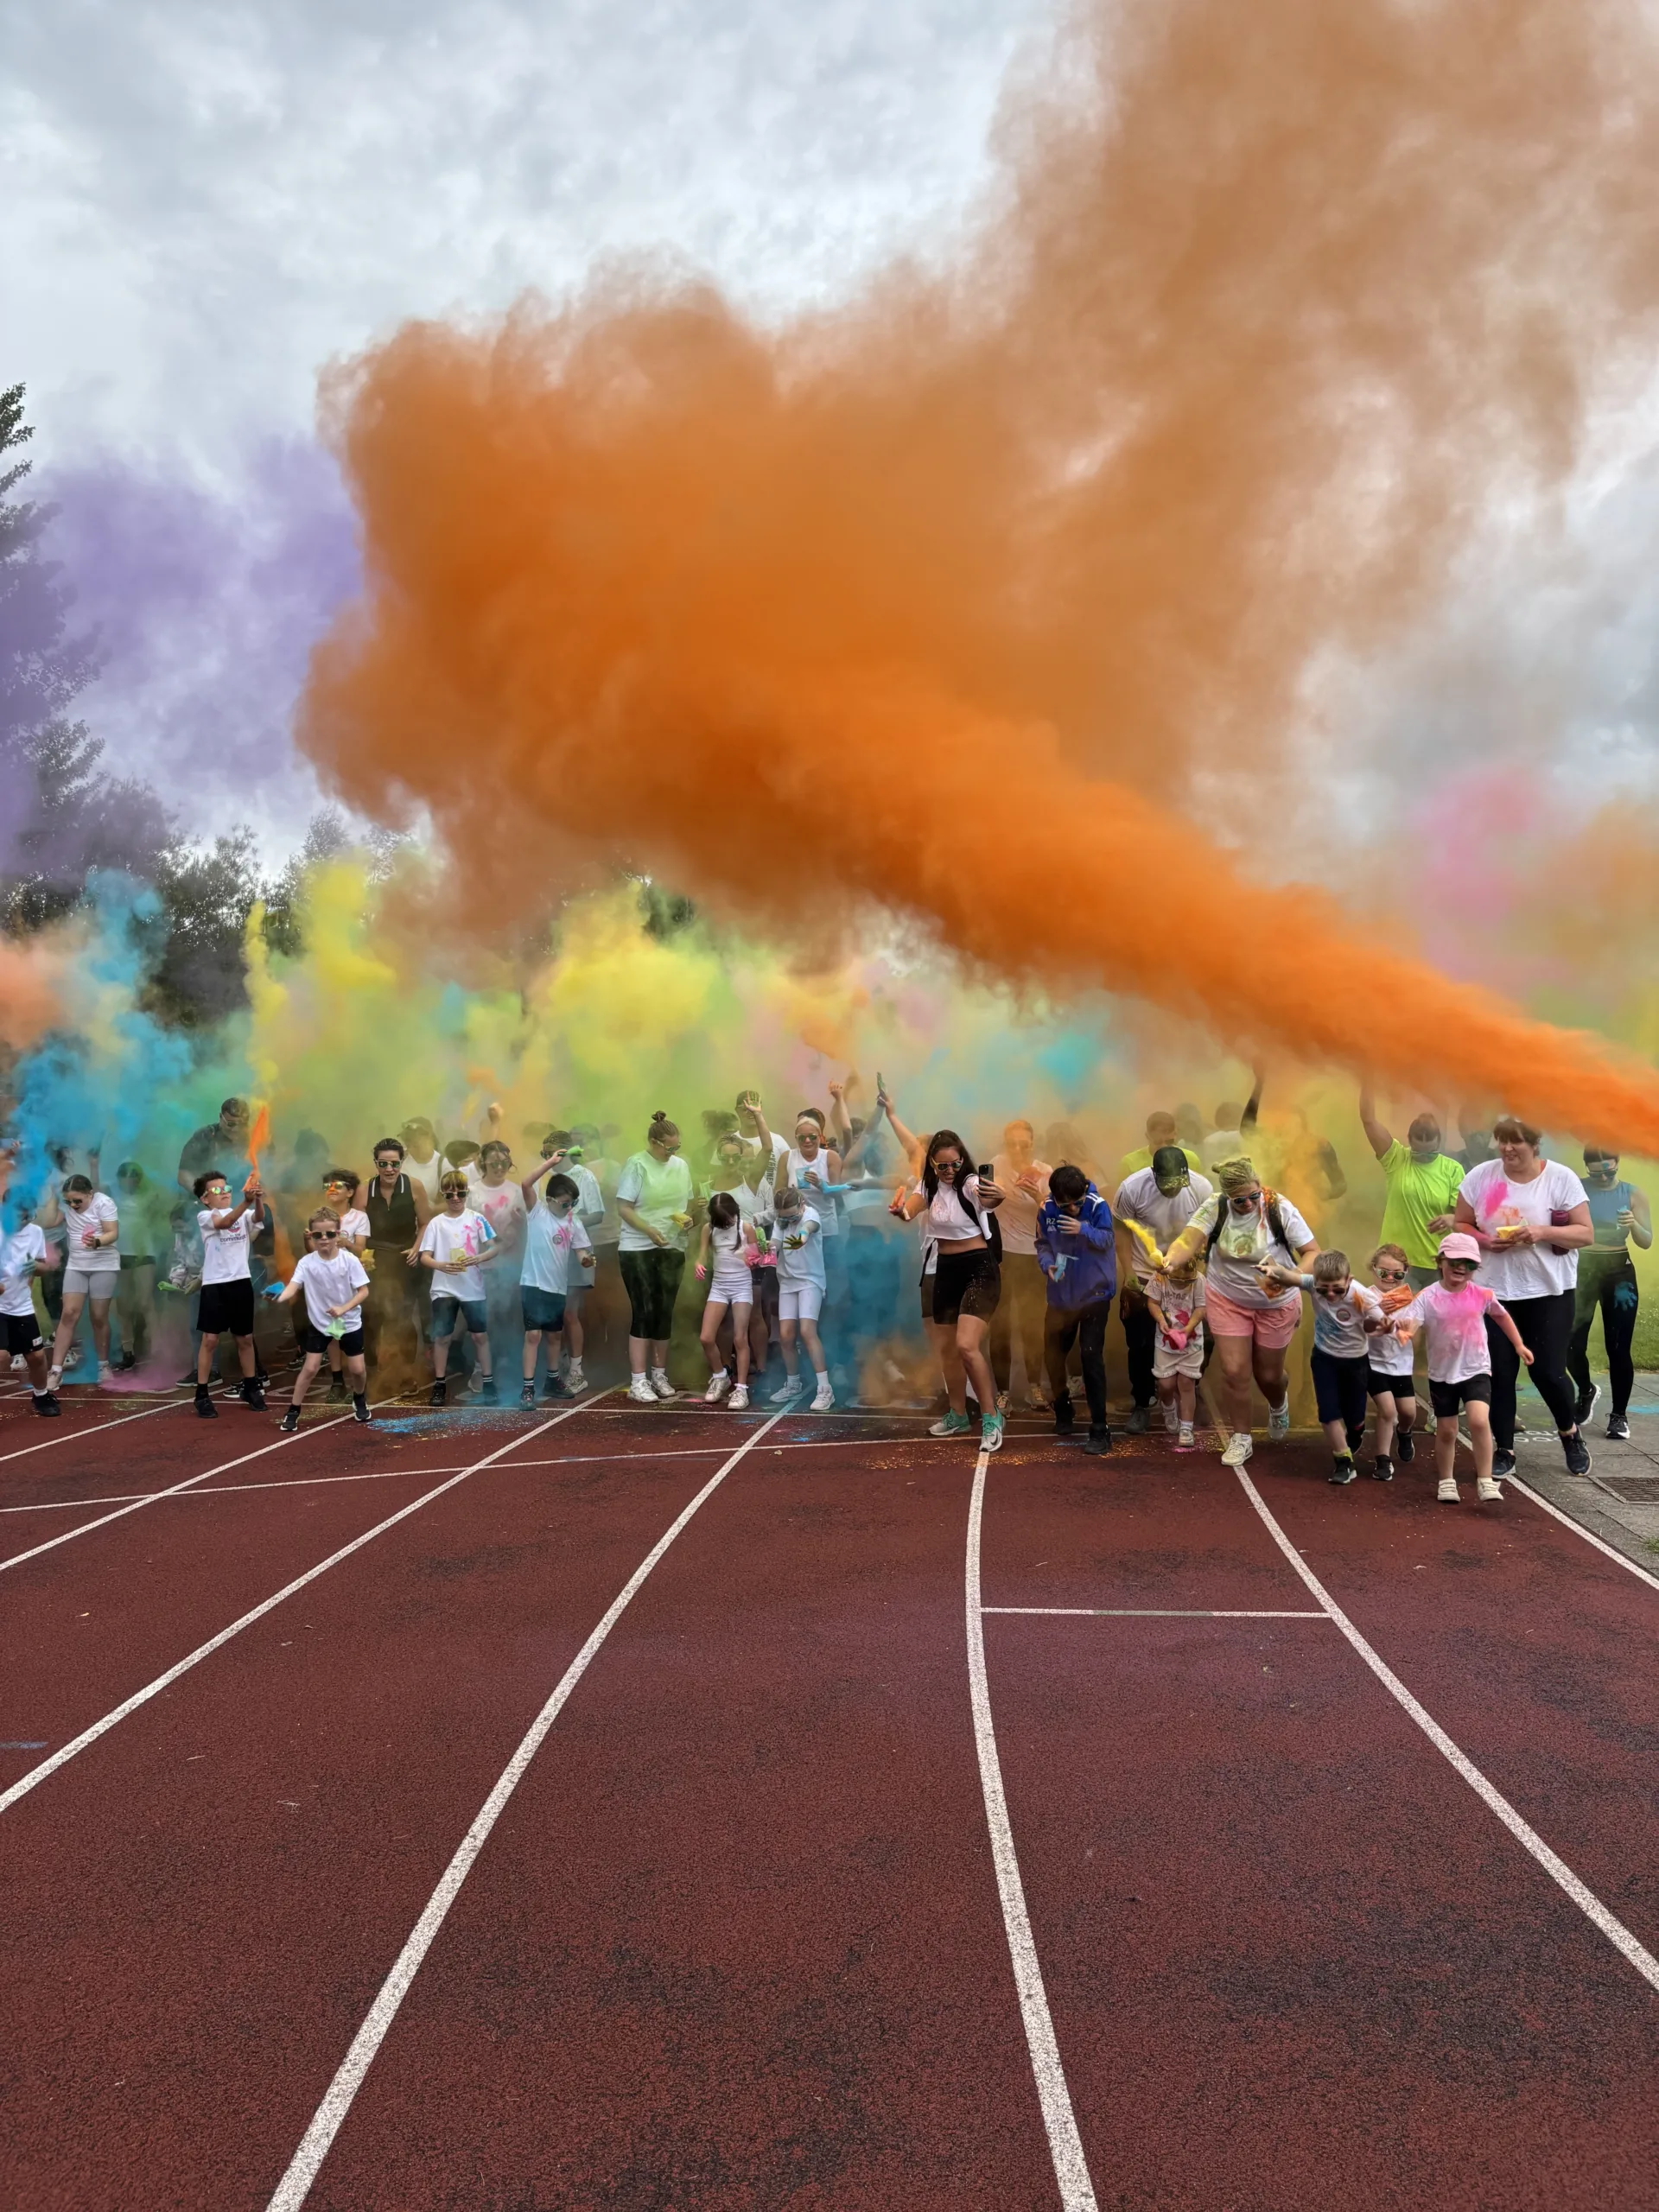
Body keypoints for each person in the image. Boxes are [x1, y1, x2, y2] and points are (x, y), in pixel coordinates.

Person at [1452, 1116, 1592, 1479]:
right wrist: (1485, 1241)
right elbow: (1461, 1222)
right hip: (1495, 1292)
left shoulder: (1560, 1179)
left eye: (1515, 1142)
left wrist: (1541, 1232)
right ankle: (1504, 1449)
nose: (1507, 1148)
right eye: (1502, 1141)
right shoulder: (1482, 1177)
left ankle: (1570, 1433)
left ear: (1534, 1144)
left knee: (1547, 1371)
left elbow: (1585, 1233)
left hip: (1549, 1291)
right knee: (1500, 1372)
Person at [1166, 1157, 1316, 1468]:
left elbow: (1313, 1252)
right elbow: (1188, 1241)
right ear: (1227, 1197)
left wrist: (1292, 1276)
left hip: (1276, 1301)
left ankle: (1278, 1403)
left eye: (1253, 1196)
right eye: (1239, 1200)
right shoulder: (1215, 1207)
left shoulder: (1278, 1207)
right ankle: (1241, 1437)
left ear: (1260, 1187)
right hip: (1228, 1298)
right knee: (1234, 1371)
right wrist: (1171, 1259)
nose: (1248, 1204)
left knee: (1269, 1375)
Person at [1387, 1230, 1534, 1503]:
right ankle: (1446, 1481)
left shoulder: (1481, 1294)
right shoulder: (1428, 1297)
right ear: (1440, 1262)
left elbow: (1502, 1317)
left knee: (1479, 1420)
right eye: (1454, 1261)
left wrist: (1518, 1345)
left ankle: (1486, 1480)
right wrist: (1404, 1332)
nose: (1460, 1268)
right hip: (1442, 1375)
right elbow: (1411, 1324)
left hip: (1476, 1369)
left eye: (1469, 1264)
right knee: (1447, 1431)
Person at [894, 1129, 1005, 1452]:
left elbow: (989, 1199)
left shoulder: (970, 1183)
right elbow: (911, 1209)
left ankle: (991, 1416)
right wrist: (900, 1211)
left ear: (962, 1160)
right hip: (945, 1270)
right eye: (943, 1166)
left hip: (979, 1269)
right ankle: (958, 1414)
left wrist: (997, 1196)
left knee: (966, 1346)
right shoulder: (928, 1186)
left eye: (955, 1164)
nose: (949, 1171)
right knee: (947, 1350)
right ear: (932, 1163)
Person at [1114, 1146, 1213, 1434]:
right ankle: (1143, 1401)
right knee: (1141, 1343)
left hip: (1188, 1276)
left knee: (1203, 1337)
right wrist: (1128, 1272)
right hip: (1146, 1273)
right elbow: (1121, 1230)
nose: (1173, 1191)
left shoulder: (1202, 1188)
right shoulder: (1132, 1188)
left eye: (1178, 1185)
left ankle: (1191, 1388)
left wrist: (1199, 1272)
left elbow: (1207, 1234)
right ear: (1153, 1174)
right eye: (1166, 1185)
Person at [1567, 1145, 1651, 1442]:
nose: (1603, 1178)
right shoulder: (1575, 1188)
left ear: (1618, 1163)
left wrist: (1634, 1224)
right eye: (1596, 1173)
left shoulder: (1633, 1193)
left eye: (1609, 1171)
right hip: (1583, 1269)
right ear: (1586, 1169)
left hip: (1619, 1272)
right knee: (1571, 1343)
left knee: (1618, 1347)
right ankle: (1586, 1389)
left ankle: (1618, 1415)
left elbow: (1646, 1241)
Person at [1034, 1164, 1116, 1453]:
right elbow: (1042, 1243)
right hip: (1061, 1295)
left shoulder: (1097, 1205)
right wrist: (1048, 1265)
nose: (1071, 1209)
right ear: (1054, 1198)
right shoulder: (1046, 1209)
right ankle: (1063, 1407)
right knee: (1052, 1353)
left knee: (1090, 1356)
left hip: (1095, 1294)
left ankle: (1100, 1429)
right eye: (1064, 1205)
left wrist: (1084, 1229)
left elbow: (1108, 1239)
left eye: (1076, 1203)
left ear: (1084, 1192)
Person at [615, 1112, 695, 1405]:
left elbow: (685, 1204)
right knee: (644, 1310)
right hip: (638, 1247)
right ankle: (638, 1380)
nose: (672, 1152)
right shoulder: (637, 1164)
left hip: (672, 1246)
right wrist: (648, 1230)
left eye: (677, 1147)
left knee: (664, 1311)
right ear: (653, 1142)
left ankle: (659, 1374)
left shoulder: (681, 1166)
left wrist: (688, 1220)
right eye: (668, 1147)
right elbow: (624, 1207)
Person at [271, 1214, 372, 1432]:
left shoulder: (349, 1260)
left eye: (329, 1234)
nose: (324, 1238)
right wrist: (280, 1297)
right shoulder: (306, 1263)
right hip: (321, 1323)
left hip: (348, 1322)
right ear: (311, 1236)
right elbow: (293, 1286)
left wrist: (343, 1309)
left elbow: (364, 1291)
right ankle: (293, 1410)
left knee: (357, 1369)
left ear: (338, 1234)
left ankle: (359, 1397)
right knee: (310, 1368)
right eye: (318, 1235)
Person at [1357, 1087, 1465, 1289]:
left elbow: (1466, 1219)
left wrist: (1451, 1218)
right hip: (1396, 1264)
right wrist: (1367, 1080)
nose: (1423, 1156)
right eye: (1418, 1151)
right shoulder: (1396, 1158)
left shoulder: (1453, 1170)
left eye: (1430, 1152)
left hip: (1437, 1264)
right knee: (1397, 1310)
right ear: (1409, 1140)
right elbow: (1368, 1120)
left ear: (1439, 1142)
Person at [1299, 1249, 1389, 1484]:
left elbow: (1379, 1322)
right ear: (1315, 1282)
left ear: (1349, 1280)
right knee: (1328, 1412)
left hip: (1356, 1362)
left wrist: (1385, 1326)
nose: (1330, 1294)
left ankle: (1357, 1429)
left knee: (1354, 1415)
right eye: (1323, 1289)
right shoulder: (1311, 1284)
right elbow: (1289, 1277)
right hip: (1324, 1358)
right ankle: (1343, 1462)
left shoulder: (1362, 1296)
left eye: (1337, 1289)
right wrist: (1271, 1271)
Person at [418, 1169, 500, 1405]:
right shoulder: (436, 1223)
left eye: (460, 1193)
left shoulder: (477, 1219)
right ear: (443, 1195)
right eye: (449, 1195)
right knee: (442, 1337)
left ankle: (488, 1383)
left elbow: (495, 1247)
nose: (455, 1198)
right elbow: (425, 1257)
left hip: (472, 1287)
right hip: (443, 1288)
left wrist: (478, 1258)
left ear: (466, 1194)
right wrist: (441, 1265)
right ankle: (439, 1385)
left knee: (480, 1336)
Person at [517, 1164, 594, 1404]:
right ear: (549, 1200)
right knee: (533, 1335)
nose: (569, 1208)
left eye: (573, 1203)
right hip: (533, 1284)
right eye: (565, 1203)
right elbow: (525, 1184)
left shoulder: (574, 1222)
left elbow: (581, 1251)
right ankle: (527, 1388)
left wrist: (585, 1260)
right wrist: (551, 1162)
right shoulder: (537, 1212)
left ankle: (552, 1380)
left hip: (558, 1288)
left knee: (554, 1336)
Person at [989, 1118, 1053, 1411]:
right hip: (1003, 1256)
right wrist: (994, 1193)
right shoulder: (996, 1165)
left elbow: (1055, 1218)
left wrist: (1037, 1196)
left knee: (1033, 1325)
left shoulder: (1045, 1172)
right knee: (1000, 1325)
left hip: (1033, 1256)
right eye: (1011, 1144)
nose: (1017, 1150)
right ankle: (1002, 1392)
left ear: (1032, 1144)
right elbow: (982, 1207)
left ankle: (1034, 1387)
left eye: (1023, 1145)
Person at [193, 1168, 267, 1417]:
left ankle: (251, 1387)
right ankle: (202, 1395)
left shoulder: (243, 1213)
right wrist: (246, 1201)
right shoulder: (205, 1216)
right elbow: (224, 1223)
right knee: (210, 1339)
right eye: (217, 1190)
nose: (224, 1193)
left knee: (245, 1338)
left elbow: (258, 1218)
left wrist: (257, 1199)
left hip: (240, 1281)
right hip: (215, 1283)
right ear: (205, 1198)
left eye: (226, 1188)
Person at [540, 1128, 605, 1393]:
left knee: (570, 1312)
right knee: (552, 1314)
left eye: (551, 1153)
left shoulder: (584, 1176)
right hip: (549, 1252)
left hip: (575, 1250)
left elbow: (598, 1214)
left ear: (565, 1152)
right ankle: (560, 1364)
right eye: (543, 1154)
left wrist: (567, 1221)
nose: (547, 1158)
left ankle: (577, 1371)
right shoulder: (544, 1176)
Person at [362, 1137, 430, 1375]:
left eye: (394, 1163)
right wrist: (362, 1255)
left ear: (402, 1162)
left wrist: (416, 1248)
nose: (389, 1169)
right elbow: (357, 1227)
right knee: (371, 1315)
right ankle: (372, 1370)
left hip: (405, 1257)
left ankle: (405, 1370)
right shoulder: (364, 1189)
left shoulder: (415, 1186)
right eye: (383, 1164)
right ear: (376, 1164)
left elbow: (425, 1223)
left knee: (402, 1315)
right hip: (374, 1260)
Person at [47, 1172, 118, 1388]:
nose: (73, 1205)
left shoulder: (104, 1203)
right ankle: (56, 1370)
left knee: (98, 1316)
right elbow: (49, 1221)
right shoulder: (68, 1208)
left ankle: (103, 1365)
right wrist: (54, 1195)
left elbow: (112, 1232)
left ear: (90, 1194)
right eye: (68, 1201)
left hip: (103, 1265)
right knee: (69, 1313)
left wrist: (97, 1242)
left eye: (77, 1201)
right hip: (77, 1265)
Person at [769, 1184, 834, 1409]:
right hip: (787, 1281)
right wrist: (765, 1248)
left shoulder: (811, 1214)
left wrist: (802, 1237)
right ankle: (793, 1384)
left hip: (810, 1280)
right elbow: (776, 1244)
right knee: (786, 1336)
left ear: (801, 1204)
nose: (789, 1220)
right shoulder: (780, 1221)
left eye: (792, 1215)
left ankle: (825, 1389)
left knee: (807, 1331)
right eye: (784, 1217)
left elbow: (808, 1228)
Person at [695, 1189, 758, 1406]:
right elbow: (702, 1255)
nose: (725, 1224)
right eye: (720, 1221)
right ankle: (720, 1376)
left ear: (734, 1213)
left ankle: (741, 1389)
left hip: (741, 1286)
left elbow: (756, 1258)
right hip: (719, 1286)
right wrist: (698, 1265)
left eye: (727, 1220)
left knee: (740, 1338)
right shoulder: (708, 1229)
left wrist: (752, 1258)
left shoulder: (745, 1228)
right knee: (706, 1337)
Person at [0, 1192, 61, 1414]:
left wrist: (35, 1267)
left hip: (22, 1305)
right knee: (2, 1356)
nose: (25, 1221)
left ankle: (41, 1395)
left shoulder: (35, 1232)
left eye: (29, 1216)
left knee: (36, 1356)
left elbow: (43, 1267)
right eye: (21, 1216)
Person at [1363, 1243, 1420, 1472]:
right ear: (1373, 1269)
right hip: (1373, 1363)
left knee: (1408, 1413)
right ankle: (1383, 1459)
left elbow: (1414, 1338)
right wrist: (1379, 1312)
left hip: (1401, 1365)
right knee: (1388, 1410)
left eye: (1397, 1274)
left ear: (1405, 1272)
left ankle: (1404, 1432)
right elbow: (1361, 1328)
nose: (1389, 1278)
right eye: (1383, 1272)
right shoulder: (1366, 1297)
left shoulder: (1411, 1300)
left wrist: (1410, 1330)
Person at [1144, 1249, 1205, 1451]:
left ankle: (1186, 1428)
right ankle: (1169, 1407)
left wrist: (1189, 1328)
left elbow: (1201, 1308)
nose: (1183, 1284)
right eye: (1179, 1281)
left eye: (1187, 1281)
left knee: (1187, 1383)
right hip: (1166, 1342)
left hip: (1191, 1342)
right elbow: (1152, 1302)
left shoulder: (1200, 1280)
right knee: (1166, 1384)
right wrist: (1161, 1320)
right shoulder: (1159, 1277)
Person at [112, 1160, 164, 1370]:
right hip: (120, 1254)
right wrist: (94, 1165)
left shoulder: (150, 1196)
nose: (130, 1180)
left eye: (134, 1177)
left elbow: (157, 1218)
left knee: (145, 1301)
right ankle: (128, 1351)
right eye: (126, 1177)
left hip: (144, 1253)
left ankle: (158, 1349)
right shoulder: (111, 1196)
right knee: (123, 1305)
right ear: (119, 1179)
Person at [177, 1097, 250, 1194]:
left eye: (242, 1124)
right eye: (231, 1124)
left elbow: (267, 1172)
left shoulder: (255, 1138)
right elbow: (183, 1175)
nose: (236, 1129)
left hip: (241, 1195)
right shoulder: (205, 1137)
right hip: (206, 1195)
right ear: (220, 1117)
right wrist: (207, 1195)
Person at [1200, 1070, 1263, 1173]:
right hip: (1236, 1181)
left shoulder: (1208, 1141)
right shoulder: (1238, 1138)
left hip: (1211, 1181)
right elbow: (1248, 1123)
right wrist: (1259, 1084)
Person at [1116, 1110, 1203, 1181]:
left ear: (1175, 1135)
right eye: (1158, 1142)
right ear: (1147, 1136)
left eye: (1169, 1142)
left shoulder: (1190, 1160)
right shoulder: (1130, 1164)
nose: (1164, 1146)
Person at [399, 1116, 444, 1205]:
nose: (411, 1150)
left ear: (429, 1139)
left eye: (416, 1145)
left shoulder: (443, 1163)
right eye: (408, 1145)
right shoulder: (402, 1165)